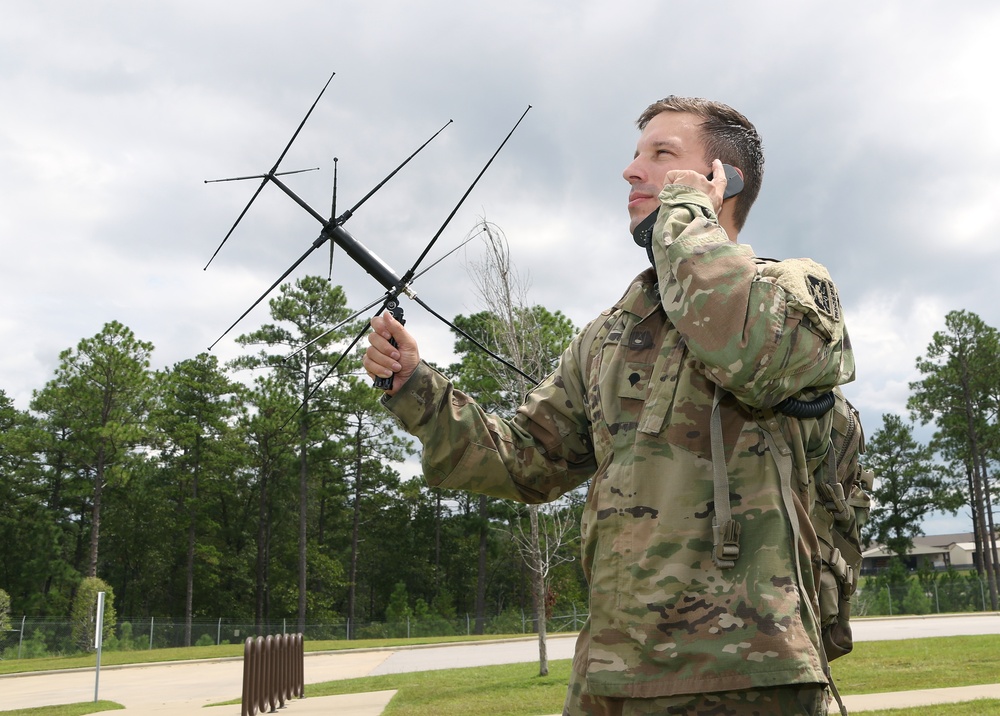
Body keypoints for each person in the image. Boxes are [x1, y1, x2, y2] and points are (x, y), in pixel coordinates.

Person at [364, 96, 855, 716]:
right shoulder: (609, 336)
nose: (631, 170)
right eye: (634, 153)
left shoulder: (791, 292)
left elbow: (744, 351)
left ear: (719, 182)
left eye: (661, 154)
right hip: (611, 678)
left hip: (747, 673)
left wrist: (683, 214)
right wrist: (415, 387)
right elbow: (526, 458)